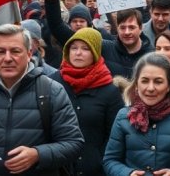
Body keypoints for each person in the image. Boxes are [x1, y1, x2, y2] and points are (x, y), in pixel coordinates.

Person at [0, 24, 84, 175]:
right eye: (1, 51)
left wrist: (38, 154)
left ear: (28, 54)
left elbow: (74, 143)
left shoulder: (52, 90)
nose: (7, 58)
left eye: (15, 51)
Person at [103, 53, 170, 176]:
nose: (150, 88)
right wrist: (127, 173)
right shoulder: (123, 116)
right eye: (144, 81)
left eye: (158, 82)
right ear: (136, 84)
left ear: (169, 86)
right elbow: (110, 161)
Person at [48, 28, 124, 175]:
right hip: (57, 167)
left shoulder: (109, 90)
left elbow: (114, 134)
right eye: (74, 47)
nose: (78, 53)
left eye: (85, 48)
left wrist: (100, 160)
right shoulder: (51, 83)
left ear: (95, 52)